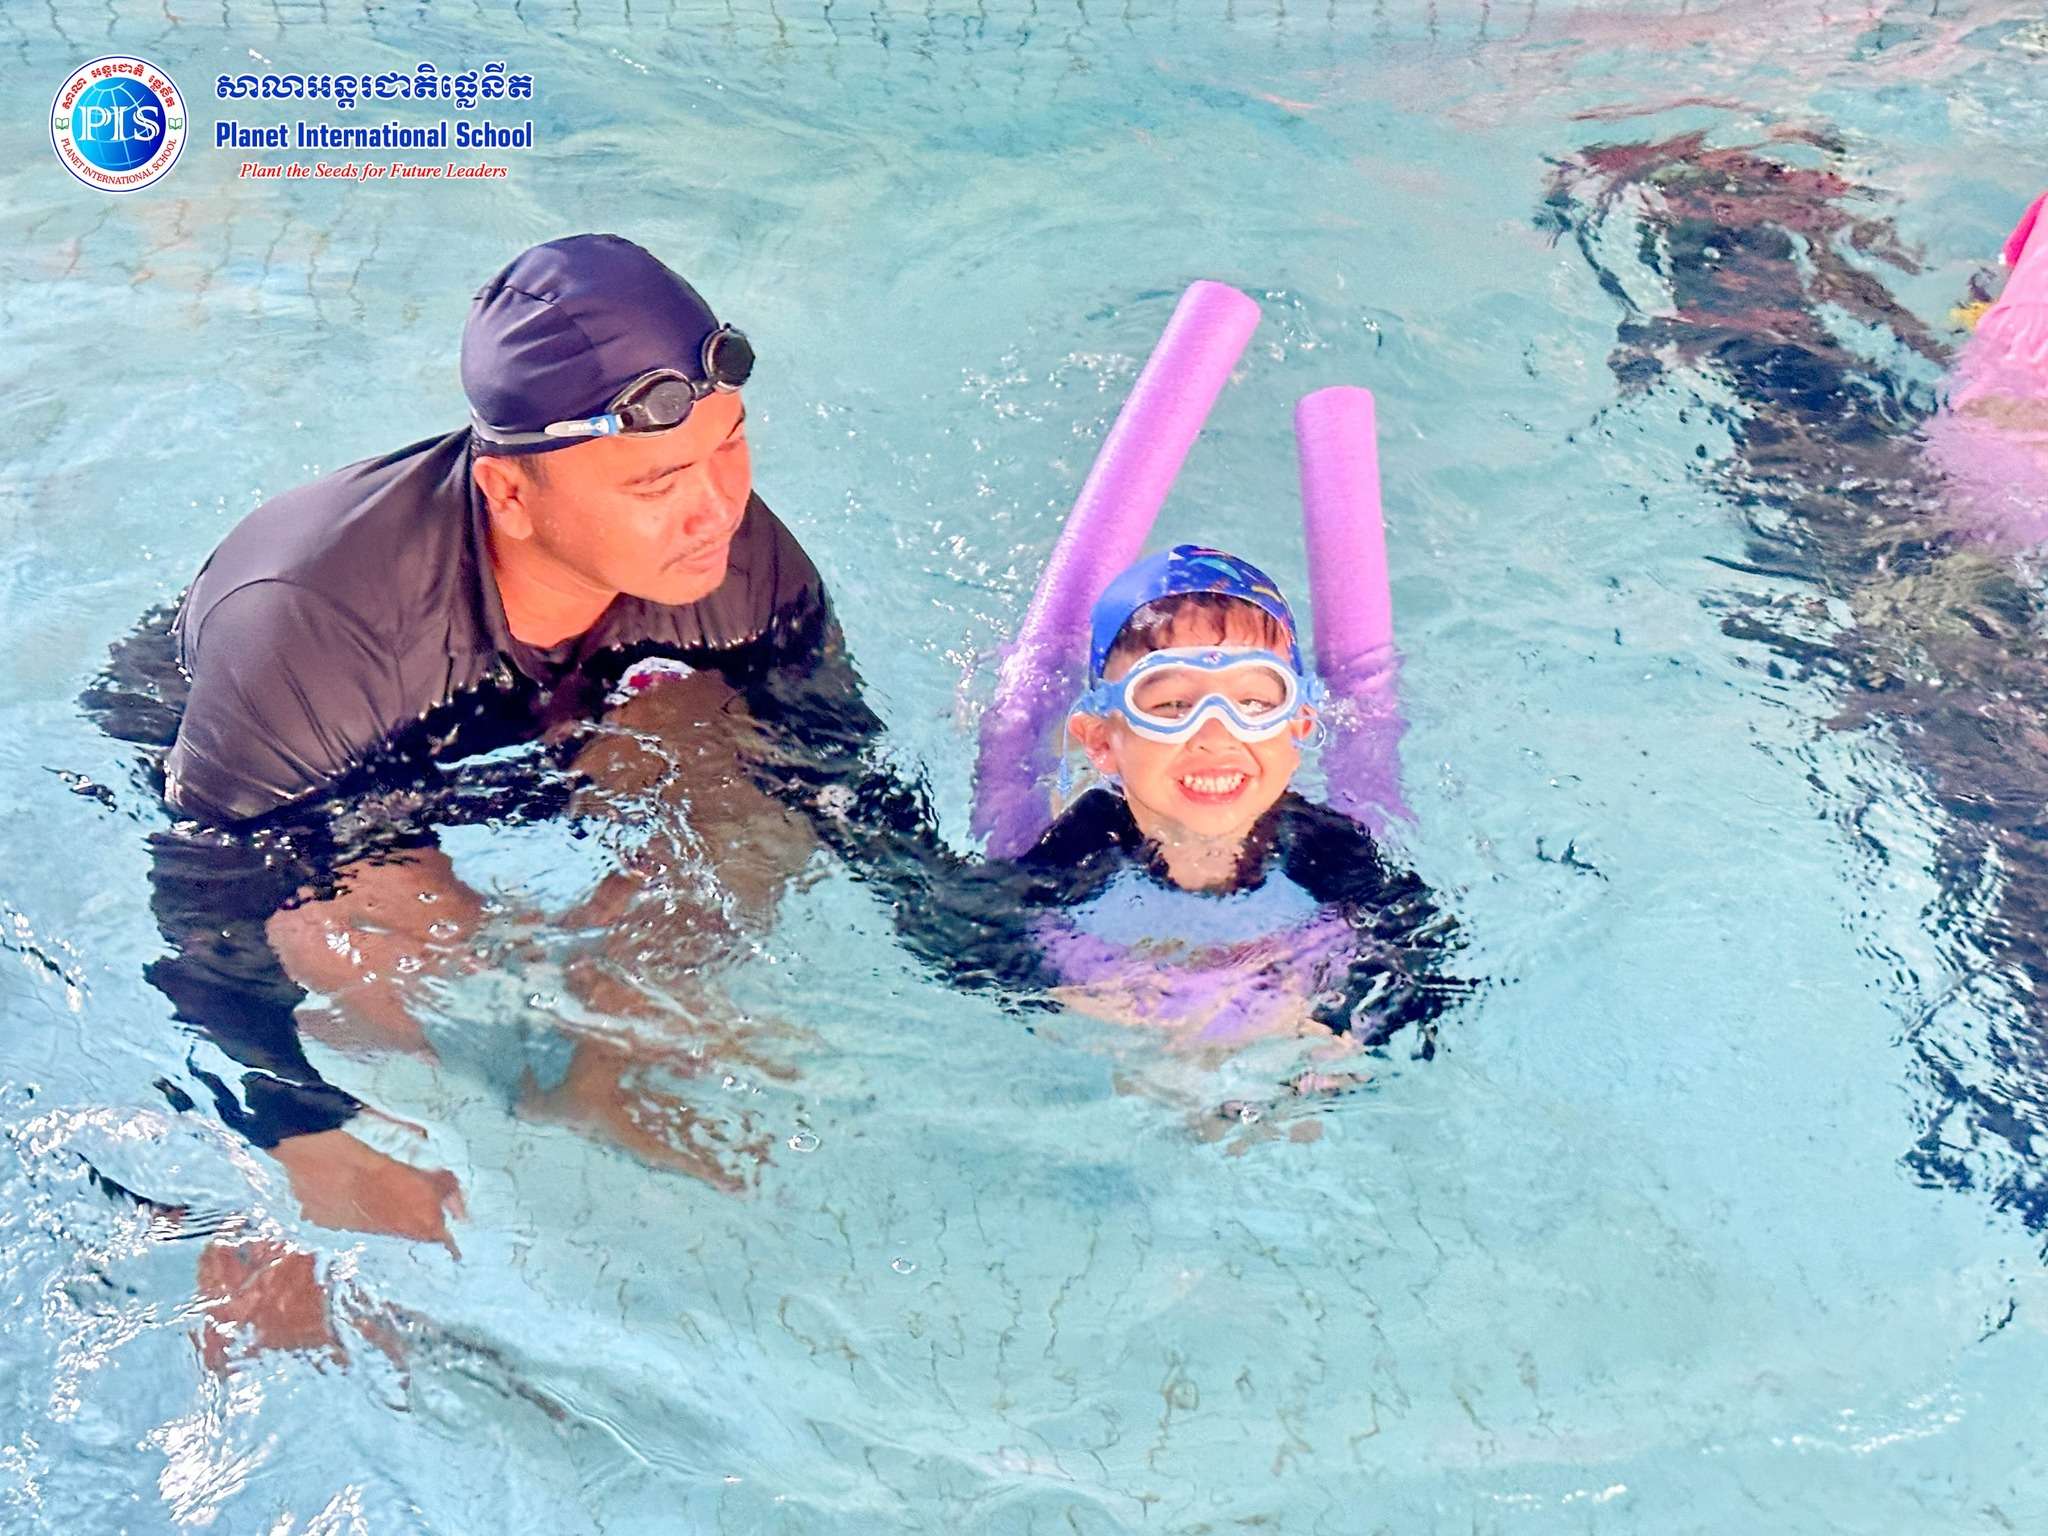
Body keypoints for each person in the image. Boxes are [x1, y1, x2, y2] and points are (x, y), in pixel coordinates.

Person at [88, 233, 932, 1249]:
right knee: (380, 933)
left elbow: (838, 776)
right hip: (328, 774)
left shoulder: (734, 559)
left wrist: (1006, 950)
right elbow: (207, 895)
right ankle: (430, 1137)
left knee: (749, 796)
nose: (719, 506)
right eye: (655, 482)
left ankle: (596, 1070)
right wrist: (289, 1126)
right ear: (511, 496)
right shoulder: (313, 621)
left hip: (561, 710)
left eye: (730, 443)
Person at [894, 546, 1460, 1067]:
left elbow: (1427, 952)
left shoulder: (1321, 844)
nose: (1216, 736)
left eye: (1256, 701)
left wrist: (1339, 1027)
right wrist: (1090, 996)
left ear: (1298, 727)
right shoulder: (1092, 838)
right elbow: (955, 933)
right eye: (1169, 704)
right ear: (1102, 742)